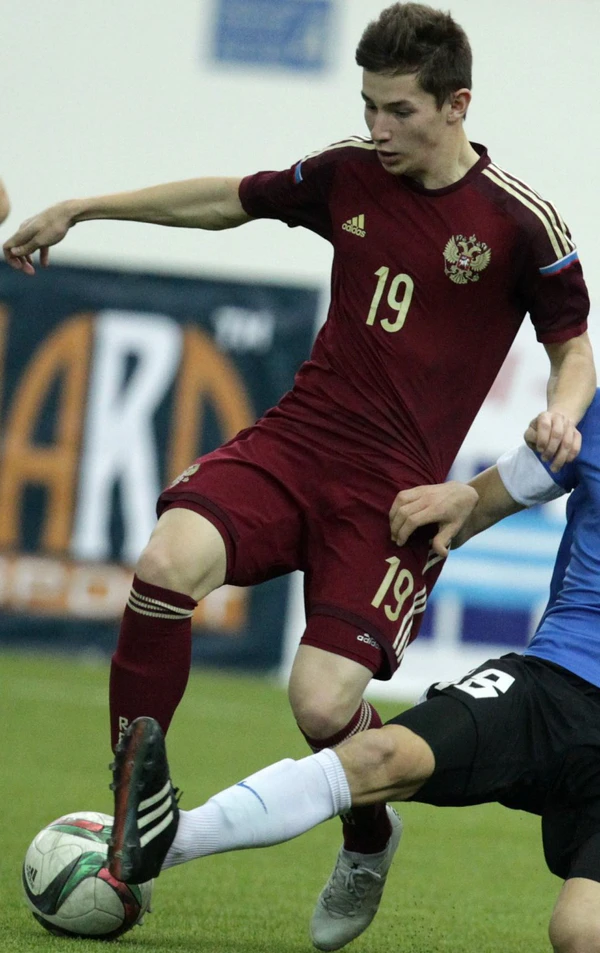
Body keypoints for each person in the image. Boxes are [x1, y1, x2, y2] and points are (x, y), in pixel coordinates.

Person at [3, 3, 595, 948]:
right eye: (368, 106)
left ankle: (368, 834)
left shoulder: (520, 221)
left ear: (456, 105)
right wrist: (86, 206)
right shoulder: (349, 172)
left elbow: (574, 350)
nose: (378, 128)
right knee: (165, 561)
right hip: (298, 443)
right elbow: (227, 200)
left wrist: (562, 410)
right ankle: (132, 805)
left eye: (399, 110)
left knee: (321, 703)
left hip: (393, 496)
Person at [110, 388, 600, 953]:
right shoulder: (593, 413)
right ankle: (169, 840)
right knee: (383, 755)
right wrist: (463, 497)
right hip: (553, 677)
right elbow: (494, 495)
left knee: (579, 933)